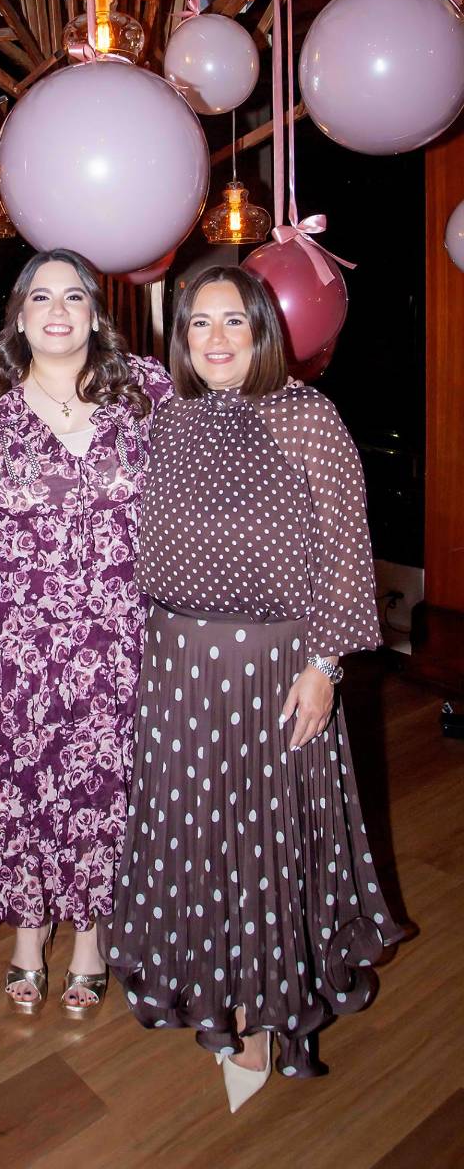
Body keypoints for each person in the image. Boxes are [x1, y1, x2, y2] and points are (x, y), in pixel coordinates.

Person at [101, 265, 403, 1110]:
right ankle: (209, 984)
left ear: (264, 330)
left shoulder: (307, 418)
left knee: (268, 836)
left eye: (235, 321)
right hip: (177, 665)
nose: (218, 339)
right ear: (183, 340)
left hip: (276, 667)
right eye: (200, 324)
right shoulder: (168, 419)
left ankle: (273, 1006)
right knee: (195, 832)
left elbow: (347, 549)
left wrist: (324, 666)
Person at [0, 248, 171, 1017]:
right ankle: (28, 931)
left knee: (104, 782)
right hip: (15, 637)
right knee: (23, 777)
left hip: (116, 634)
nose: (58, 310)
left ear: (95, 312)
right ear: (19, 314)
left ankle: (91, 939)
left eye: (74, 296)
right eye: (41, 297)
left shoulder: (144, 392)